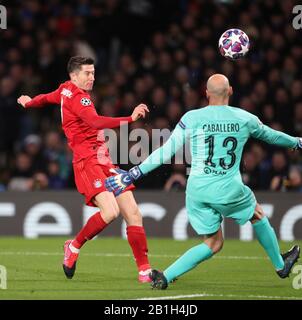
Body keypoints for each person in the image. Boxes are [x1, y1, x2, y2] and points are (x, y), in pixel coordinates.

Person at [105, 74, 301, 289]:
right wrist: (296, 142)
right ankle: (280, 265)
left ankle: (165, 276)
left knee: (213, 242)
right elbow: (271, 136)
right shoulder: (245, 118)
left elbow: (166, 152)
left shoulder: (191, 117)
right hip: (228, 187)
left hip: (197, 190)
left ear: (206, 94)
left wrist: (134, 173)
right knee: (256, 214)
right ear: (231, 91)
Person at [17, 56, 152, 283]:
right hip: (87, 162)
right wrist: (130, 117)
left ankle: (144, 271)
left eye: (93, 73)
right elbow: (96, 122)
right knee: (110, 212)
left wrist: (30, 102)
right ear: (74, 75)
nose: (92, 77)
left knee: (133, 213)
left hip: (105, 161)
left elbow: (46, 98)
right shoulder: (80, 98)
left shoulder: (65, 90)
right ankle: (74, 245)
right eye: (87, 73)